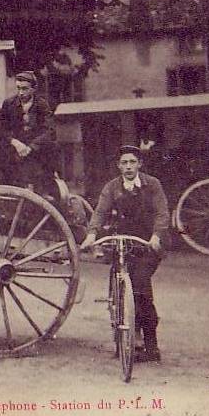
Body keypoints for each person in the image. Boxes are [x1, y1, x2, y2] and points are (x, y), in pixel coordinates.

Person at [80, 145, 170, 363]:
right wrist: (92, 235)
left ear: (140, 164)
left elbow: (162, 213)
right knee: (122, 286)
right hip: (124, 244)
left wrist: (157, 236)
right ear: (118, 166)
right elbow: (100, 212)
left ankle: (149, 344)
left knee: (140, 285)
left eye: (132, 162)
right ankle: (125, 338)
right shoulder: (112, 188)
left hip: (148, 245)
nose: (128, 167)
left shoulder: (153, 185)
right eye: (124, 163)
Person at [0, 70, 57, 192]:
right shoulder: (9, 104)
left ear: (33, 89)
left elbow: (49, 130)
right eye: (18, 88)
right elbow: (2, 128)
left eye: (25, 89)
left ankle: (43, 190)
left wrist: (31, 147)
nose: (21, 93)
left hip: (34, 147)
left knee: (49, 149)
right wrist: (14, 142)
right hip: (15, 147)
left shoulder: (42, 105)